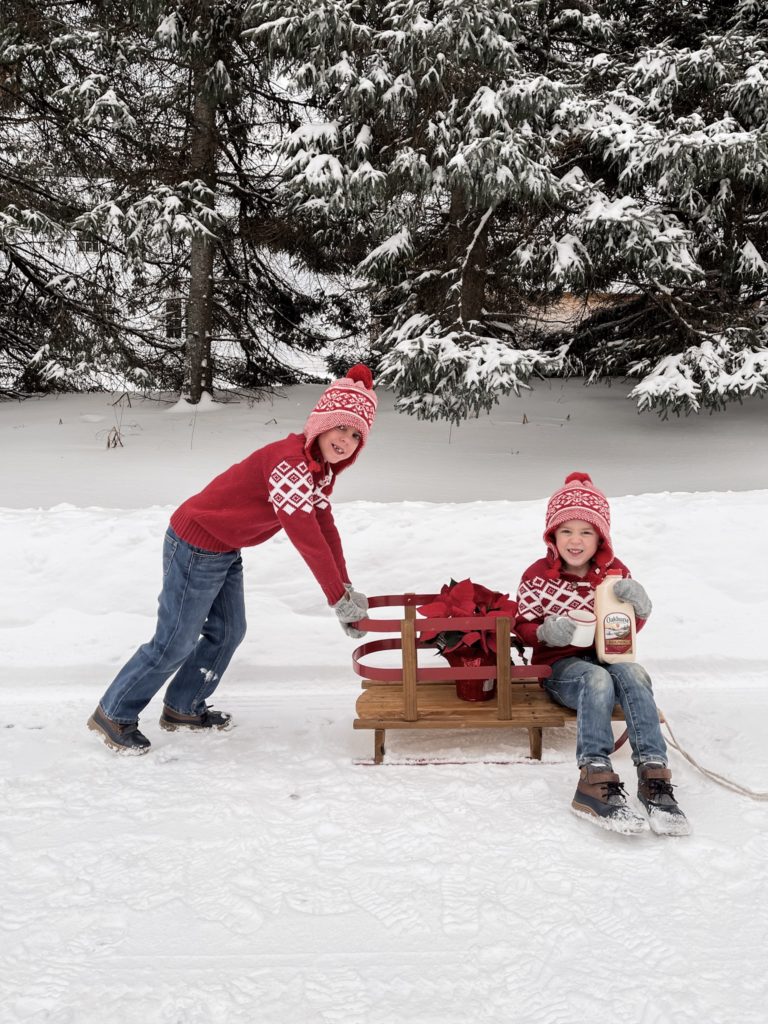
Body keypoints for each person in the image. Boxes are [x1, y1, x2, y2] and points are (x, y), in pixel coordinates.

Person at [88, 365, 377, 755]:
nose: (346, 439)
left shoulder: (317, 471)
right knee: (175, 641)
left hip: (224, 547)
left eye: (356, 434)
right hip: (195, 545)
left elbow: (324, 528)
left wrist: (345, 589)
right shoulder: (290, 465)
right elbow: (306, 538)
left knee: (229, 631)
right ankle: (114, 713)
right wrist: (336, 599)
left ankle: (183, 707)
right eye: (341, 427)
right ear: (321, 424)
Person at [514, 472, 690, 836]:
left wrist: (638, 611)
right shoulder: (536, 576)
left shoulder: (614, 574)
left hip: (608, 657)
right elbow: (523, 626)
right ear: (552, 536)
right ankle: (593, 778)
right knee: (595, 677)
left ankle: (653, 777)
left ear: (601, 537)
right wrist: (545, 631)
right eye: (566, 531)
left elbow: (623, 631)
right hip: (560, 667)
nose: (575, 541)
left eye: (586, 532)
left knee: (634, 673)